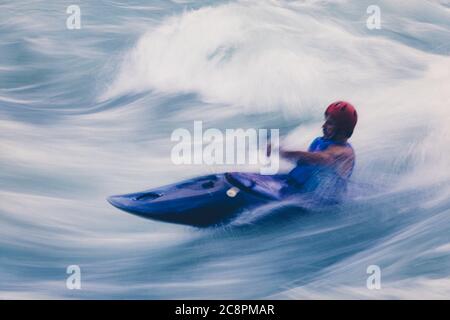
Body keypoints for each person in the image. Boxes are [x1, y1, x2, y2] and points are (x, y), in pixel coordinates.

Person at [280, 101, 358, 203]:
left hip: (319, 201)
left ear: (342, 129)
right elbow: (305, 162)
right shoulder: (321, 141)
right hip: (296, 187)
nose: (323, 126)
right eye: (325, 121)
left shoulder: (344, 153)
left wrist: (284, 153)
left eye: (329, 123)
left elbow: (322, 158)